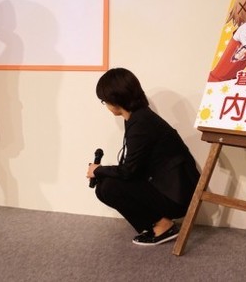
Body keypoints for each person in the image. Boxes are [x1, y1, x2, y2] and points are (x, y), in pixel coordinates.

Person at [86, 68, 200, 245]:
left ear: (115, 100)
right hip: (168, 189)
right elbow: (133, 167)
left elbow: (129, 171)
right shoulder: (139, 118)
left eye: (104, 101)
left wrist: (98, 170)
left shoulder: (141, 123)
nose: (106, 105)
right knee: (103, 187)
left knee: (108, 187)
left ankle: (163, 226)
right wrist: (101, 172)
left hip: (177, 197)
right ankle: (155, 224)